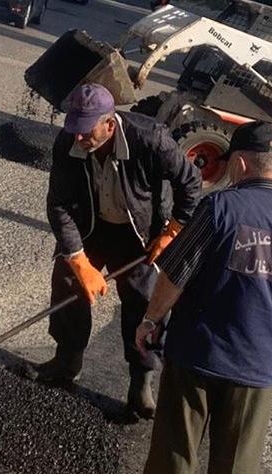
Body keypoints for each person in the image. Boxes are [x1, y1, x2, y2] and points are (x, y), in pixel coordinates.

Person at [130, 121, 272, 474]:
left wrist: (151, 319)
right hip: (258, 367)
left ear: (240, 164)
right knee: (237, 460)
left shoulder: (219, 208)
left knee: (176, 447)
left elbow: (175, 275)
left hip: (196, 354)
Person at [39, 83, 202, 419]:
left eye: (86, 131)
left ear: (109, 124)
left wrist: (173, 229)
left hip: (138, 235)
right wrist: (76, 258)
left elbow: (190, 182)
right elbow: (59, 204)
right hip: (91, 226)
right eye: (74, 130)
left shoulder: (151, 139)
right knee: (68, 284)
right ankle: (67, 360)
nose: (78, 138)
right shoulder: (67, 141)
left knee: (144, 302)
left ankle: (141, 382)